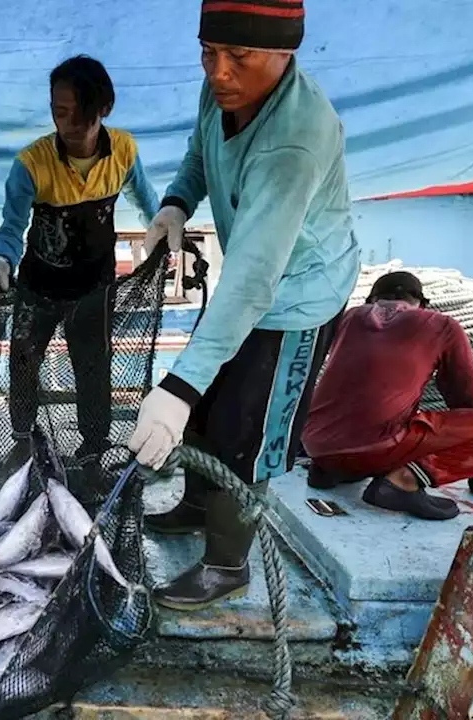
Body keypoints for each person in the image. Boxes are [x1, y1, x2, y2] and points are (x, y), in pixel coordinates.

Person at [128, 0, 360, 610]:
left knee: (244, 429)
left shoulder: (294, 142)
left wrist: (174, 390)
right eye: (209, 52)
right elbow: (199, 152)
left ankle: (226, 564)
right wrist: (176, 202)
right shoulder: (222, 91)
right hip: (250, 282)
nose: (219, 72)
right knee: (207, 403)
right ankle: (195, 504)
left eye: (239, 56)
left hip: (297, 295)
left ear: (286, 53)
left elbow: (256, 282)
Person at [0, 55, 160, 467]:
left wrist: (166, 231)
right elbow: (12, 227)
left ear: (104, 108)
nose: (68, 123)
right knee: (24, 361)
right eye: (59, 112)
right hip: (38, 284)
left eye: (79, 112)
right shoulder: (30, 164)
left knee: (93, 368)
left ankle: (94, 449)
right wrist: (0, 262)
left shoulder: (124, 151)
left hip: (94, 287)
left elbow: (148, 204)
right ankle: (23, 442)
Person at [303, 271, 473, 519]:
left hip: (316, 445)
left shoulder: (348, 318)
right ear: (422, 305)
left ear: (371, 300)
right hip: (374, 446)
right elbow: (467, 402)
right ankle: (404, 481)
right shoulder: (442, 325)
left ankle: (327, 472)